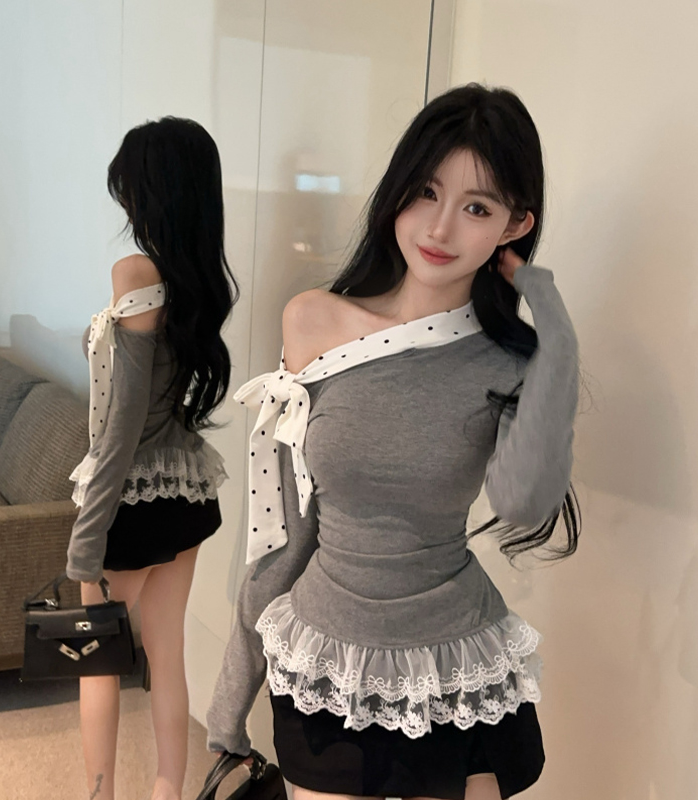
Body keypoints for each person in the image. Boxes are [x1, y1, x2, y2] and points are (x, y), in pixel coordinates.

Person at [206, 83, 581, 800]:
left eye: (477, 208)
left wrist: (556, 336)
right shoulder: (312, 321)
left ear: (514, 224)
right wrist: (231, 698)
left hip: (456, 675)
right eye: (426, 192)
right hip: (329, 669)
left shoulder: (510, 362)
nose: (440, 227)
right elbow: (286, 530)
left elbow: (524, 504)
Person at [66, 117, 238, 800]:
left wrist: (88, 535)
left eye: (131, 189)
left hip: (130, 502)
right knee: (167, 655)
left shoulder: (136, 272)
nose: (126, 204)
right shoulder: (194, 281)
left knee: (98, 663)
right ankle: (168, 792)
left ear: (154, 193)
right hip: (184, 490)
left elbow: (122, 426)